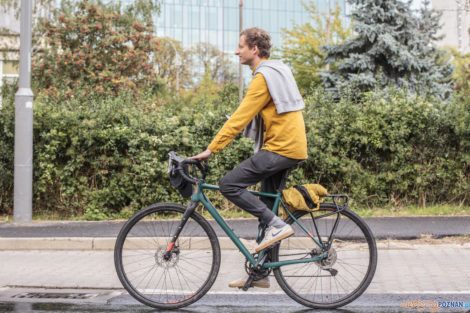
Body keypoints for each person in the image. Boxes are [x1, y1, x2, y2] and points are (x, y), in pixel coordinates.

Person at [191, 27, 307, 288]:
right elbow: (251, 114)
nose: (236, 51)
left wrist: (212, 149)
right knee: (266, 208)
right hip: (289, 146)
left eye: (240, 46)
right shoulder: (275, 72)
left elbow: (242, 116)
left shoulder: (263, 77)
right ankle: (261, 273)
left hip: (281, 148)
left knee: (228, 184)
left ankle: (277, 225)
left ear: (254, 49)